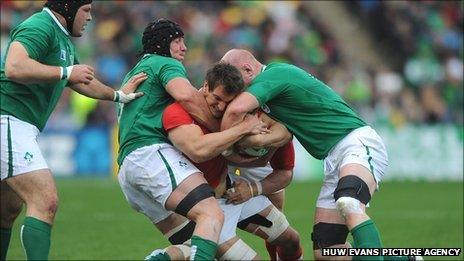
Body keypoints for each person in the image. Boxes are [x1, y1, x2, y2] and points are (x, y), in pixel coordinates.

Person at [0, 1, 146, 260]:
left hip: (18, 124)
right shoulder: (40, 26)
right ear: (67, 8)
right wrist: (65, 71)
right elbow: (14, 67)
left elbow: (79, 81)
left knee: (7, 209)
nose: (90, 17)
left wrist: (117, 95)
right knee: (45, 200)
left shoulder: (61, 37)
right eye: (86, 10)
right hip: (8, 119)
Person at [220, 49, 397, 260]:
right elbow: (282, 133)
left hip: (356, 143)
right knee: (327, 252)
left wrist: (224, 144)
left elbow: (234, 111)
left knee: (349, 203)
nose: (235, 89)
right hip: (333, 159)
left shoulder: (273, 76)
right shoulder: (274, 89)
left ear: (248, 69)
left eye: (236, 81)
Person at [117, 20, 249, 261]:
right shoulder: (164, 63)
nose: (184, 47)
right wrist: (222, 129)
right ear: (161, 44)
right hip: (149, 154)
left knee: (199, 241)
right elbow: (188, 96)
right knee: (212, 216)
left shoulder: (136, 70)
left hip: (128, 168)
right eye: (177, 41)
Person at [145, 62, 301, 260]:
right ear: (205, 86)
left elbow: (283, 132)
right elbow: (198, 150)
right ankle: (164, 257)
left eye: (226, 102)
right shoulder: (178, 112)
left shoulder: (235, 113)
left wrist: (261, 141)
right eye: (216, 98)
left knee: (291, 239)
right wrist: (243, 131)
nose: (219, 107)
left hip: (232, 194)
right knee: (199, 250)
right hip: (205, 206)